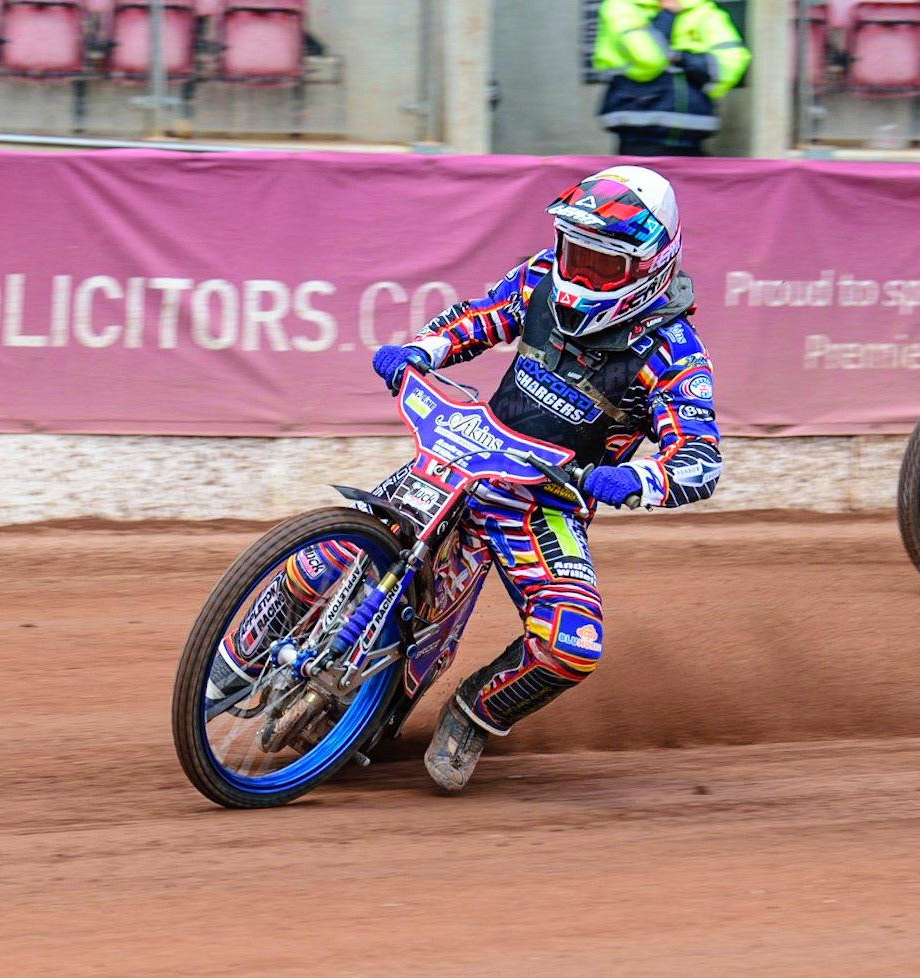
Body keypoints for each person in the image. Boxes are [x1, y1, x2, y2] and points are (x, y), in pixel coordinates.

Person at [207, 166, 720, 792]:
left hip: (544, 502)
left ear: (649, 268)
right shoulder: (540, 278)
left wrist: (634, 479)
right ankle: (231, 659)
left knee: (573, 645)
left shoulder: (674, 353)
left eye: (600, 264)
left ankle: (475, 712)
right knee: (327, 554)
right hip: (462, 450)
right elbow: (477, 318)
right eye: (574, 251)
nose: (579, 273)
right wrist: (421, 350)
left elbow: (699, 460)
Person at [593, 0, 751, 157]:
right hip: (640, 132)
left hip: (694, 132)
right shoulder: (621, 5)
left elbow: (731, 67)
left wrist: (680, 57)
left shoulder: (705, 10)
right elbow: (649, 57)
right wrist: (668, 15)